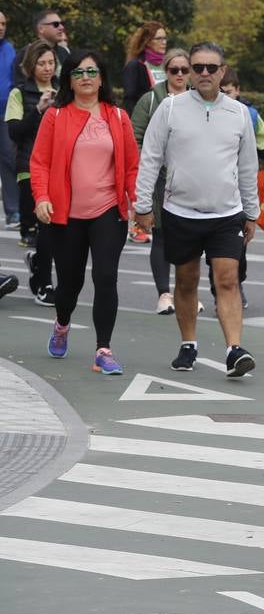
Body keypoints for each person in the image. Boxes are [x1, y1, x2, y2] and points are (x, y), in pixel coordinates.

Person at [132, 42, 260, 378]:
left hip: (226, 213)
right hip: (181, 211)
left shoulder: (239, 113)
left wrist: (252, 212)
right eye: (197, 67)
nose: (204, 73)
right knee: (186, 282)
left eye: (211, 68)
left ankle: (234, 349)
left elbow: (247, 166)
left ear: (223, 71)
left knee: (228, 280)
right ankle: (188, 344)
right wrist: (143, 204)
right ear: (189, 70)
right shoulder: (171, 108)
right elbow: (150, 158)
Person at [28, 49, 140, 374]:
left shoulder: (117, 117)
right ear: (69, 80)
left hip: (108, 211)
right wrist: (42, 197)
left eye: (91, 72)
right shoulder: (56, 116)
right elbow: (39, 163)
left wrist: (138, 203)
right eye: (78, 72)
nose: (86, 78)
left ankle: (103, 349)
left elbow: (131, 166)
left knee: (106, 277)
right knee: (69, 286)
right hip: (65, 216)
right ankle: (62, 323)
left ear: (102, 78)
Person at [209, 66, 264, 310]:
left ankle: (236, 283)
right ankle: (220, 289)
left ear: (238, 91)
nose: (224, 95)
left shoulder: (249, 114)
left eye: (228, 91)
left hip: (240, 191)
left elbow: (263, 145)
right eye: (221, 91)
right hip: (213, 189)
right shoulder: (207, 112)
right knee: (215, 248)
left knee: (238, 246)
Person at [131, 48, 194, 315]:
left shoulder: (199, 98)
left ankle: (186, 293)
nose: (179, 74)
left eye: (184, 70)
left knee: (189, 238)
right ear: (165, 71)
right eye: (174, 70)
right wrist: (143, 172)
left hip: (192, 179)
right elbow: (134, 137)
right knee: (161, 236)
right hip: (159, 179)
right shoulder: (151, 100)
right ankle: (163, 294)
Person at [6, 42, 58, 299]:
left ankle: (40, 271)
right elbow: (14, 132)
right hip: (29, 167)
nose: (47, 68)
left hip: (59, 168)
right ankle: (44, 284)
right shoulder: (19, 93)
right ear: (31, 66)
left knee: (52, 230)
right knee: (41, 227)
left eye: (51, 62)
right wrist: (39, 108)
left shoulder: (65, 90)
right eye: (41, 63)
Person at [121, 20, 169, 245]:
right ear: (147, 41)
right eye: (159, 38)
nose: (164, 42)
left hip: (166, 130)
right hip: (143, 127)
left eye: (165, 38)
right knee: (141, 178)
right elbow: (129, 98)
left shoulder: (166, 66)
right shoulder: (136, 66)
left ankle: (157, 221)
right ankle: (137, 225)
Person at [10, 10, 70, 86]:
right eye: (56, 24)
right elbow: (21, 85)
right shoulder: (26, 53)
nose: (61, 27)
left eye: (62, 24)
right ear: (41, 29)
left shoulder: (64, 52)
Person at [0, 10, 19, 228]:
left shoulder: (9, 49)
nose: (1, 27)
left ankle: (13, 211)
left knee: (8, 161)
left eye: (4, 23)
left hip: (4, 112)